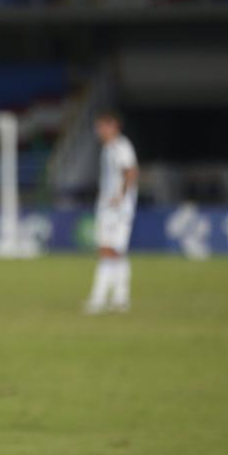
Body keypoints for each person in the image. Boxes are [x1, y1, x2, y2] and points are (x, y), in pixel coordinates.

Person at [84, 111, 139, 314]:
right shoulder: (108, 149)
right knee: (113, 252)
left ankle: (100, 299)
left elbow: (131, 171)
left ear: (113, 126)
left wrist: (121, 196)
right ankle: (120, 298)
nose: (99, 131)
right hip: (108, 207)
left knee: (109, 251)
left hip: (118, 209)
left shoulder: (121, 147)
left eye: (102, 126)